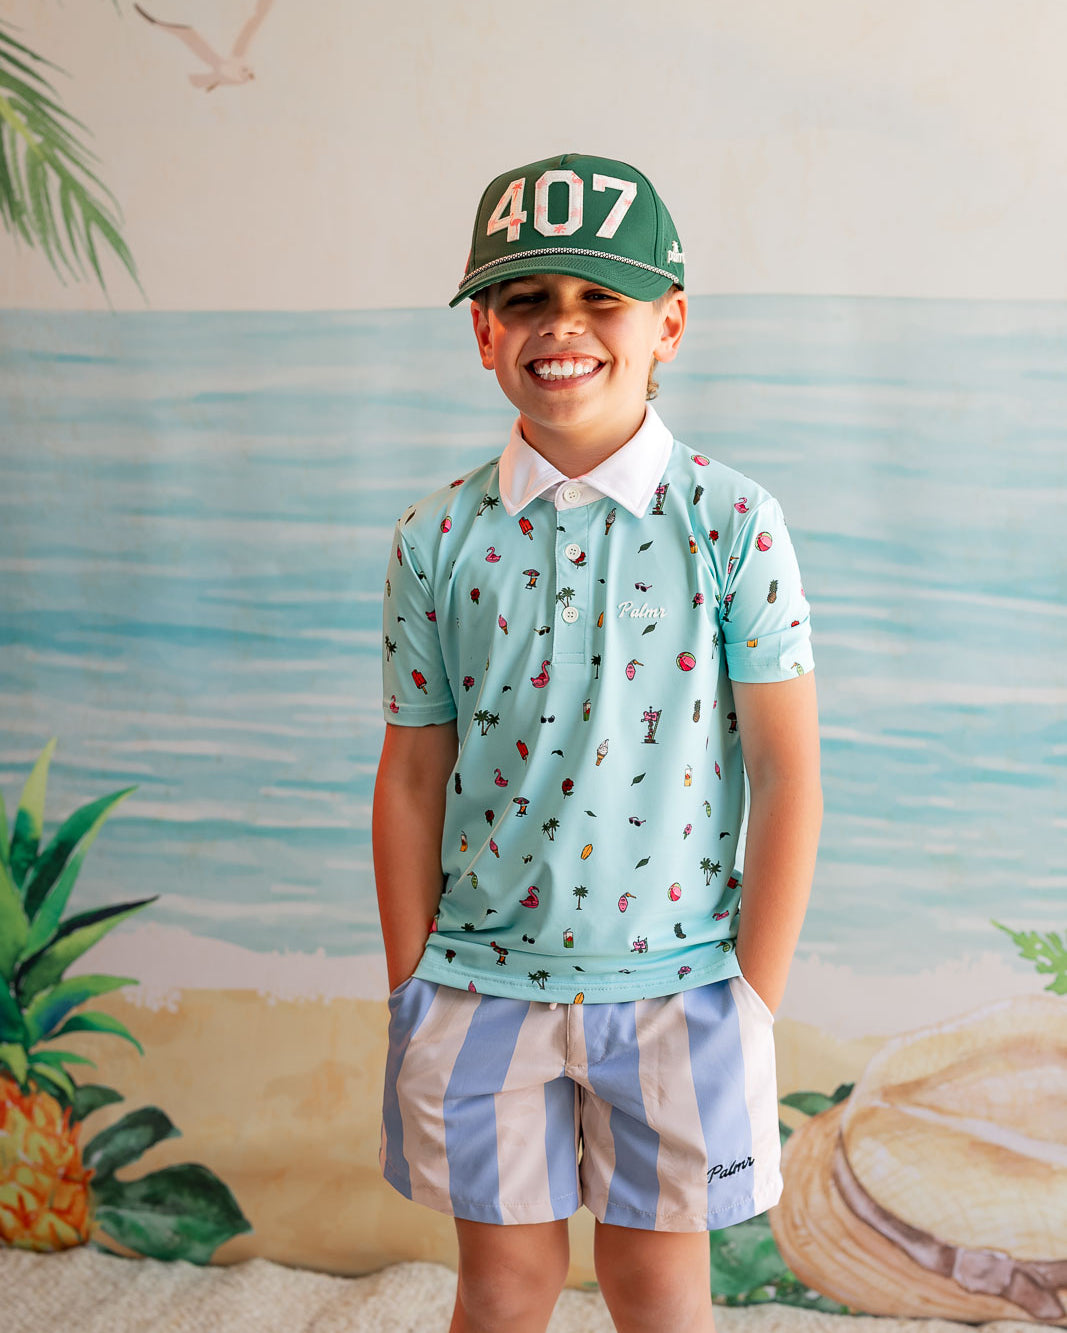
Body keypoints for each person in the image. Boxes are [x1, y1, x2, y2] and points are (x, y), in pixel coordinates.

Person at [373, 152, 823, 1333]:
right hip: (479, 986)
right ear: (482, 329)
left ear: (666, 322)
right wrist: (412, 977)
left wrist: (754, 998)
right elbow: (412, 772)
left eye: (598, 299)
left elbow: (784, 773)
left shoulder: (732, 524)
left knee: (658, 1283)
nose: (560, 327)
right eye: (526, 298)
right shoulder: (435, 535)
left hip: (682, 985)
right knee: (504, 1284)